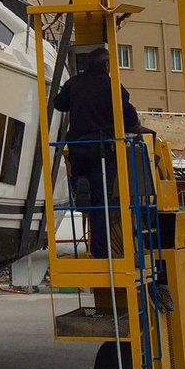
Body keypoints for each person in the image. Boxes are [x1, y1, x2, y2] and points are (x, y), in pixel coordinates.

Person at [52, 46, 139, 259]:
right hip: (102, 151)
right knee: (103, 205)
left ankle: (79, 183)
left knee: (82, 181)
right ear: (107, 65)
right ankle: (100, 253)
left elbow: (59, 104)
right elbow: (130, 117)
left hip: (78, 148)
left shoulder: (75, 83)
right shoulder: (111, 86)